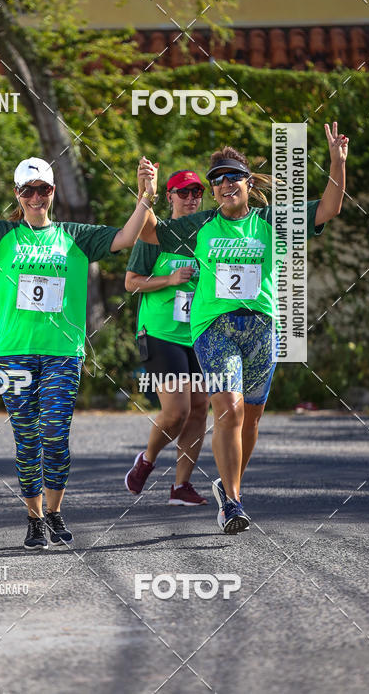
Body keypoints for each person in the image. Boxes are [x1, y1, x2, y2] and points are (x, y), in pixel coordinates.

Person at [0, 150, 158, 550]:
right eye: (28, 191)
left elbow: (126, 237)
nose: (36, 197)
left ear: (53, 191)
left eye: (43, 190)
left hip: (63, 353)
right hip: (14, 354)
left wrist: (145, 196)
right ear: (17, 194)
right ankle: (35, 519)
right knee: (26, 440)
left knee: (55, 435)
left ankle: (55, 512)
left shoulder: (75, 236)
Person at [139, 123, 348, 534]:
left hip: (262, 328)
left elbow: (328, 209)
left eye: (234, 176)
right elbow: (147, 232)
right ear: (213, 190)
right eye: (217, 180)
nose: (225, 184)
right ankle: (232, 504)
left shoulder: (272, 220)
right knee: (228, 410)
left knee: (250, 419)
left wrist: (337, 166)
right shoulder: (198, 225)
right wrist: (145, 195)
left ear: (248, 183)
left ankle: (228, 485)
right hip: (214, 327)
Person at [124, 169, 209, 506]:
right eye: (183, 193)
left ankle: (180, 486)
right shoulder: (155, 232)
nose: (191, 199)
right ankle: (146, 460)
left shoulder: (209, 234)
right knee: (176, 411)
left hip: (199, 333)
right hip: (160, 333)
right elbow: (131, 282)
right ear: (170, 196)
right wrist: (170, 280)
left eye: (196, 193)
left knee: (201, 408)